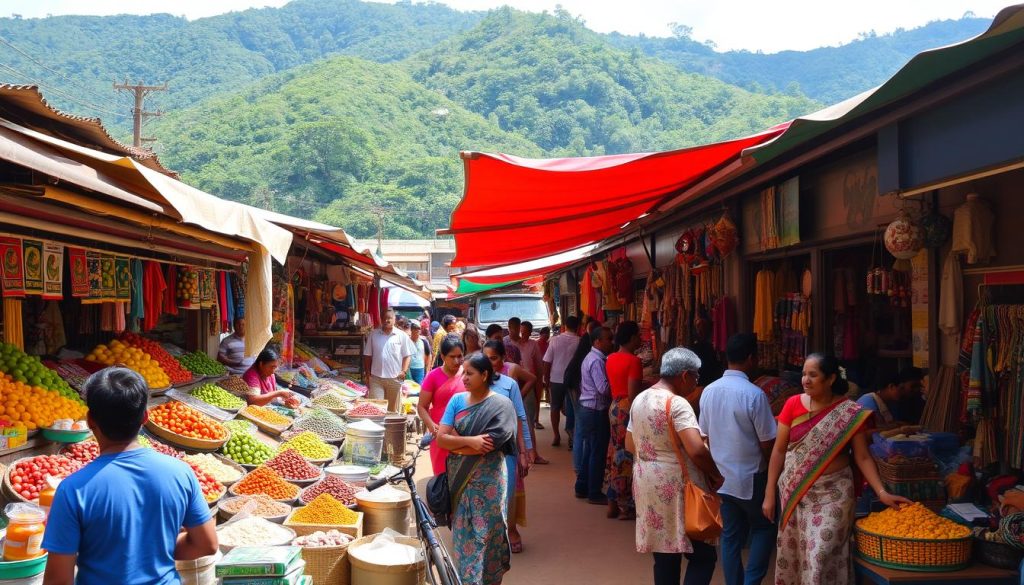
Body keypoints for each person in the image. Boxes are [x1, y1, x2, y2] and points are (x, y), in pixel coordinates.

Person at [42, 367, 218, 585]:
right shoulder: (181, 473)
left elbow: (58, 580)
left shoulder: (73, 490)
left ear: (89, 420)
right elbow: (207, 544)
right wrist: (154, 548)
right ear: (145, 416)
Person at [763, 353, 911, 585]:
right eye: (803, 374)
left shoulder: (849, 412)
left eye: (813, 375)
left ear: (830, 379)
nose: (805, 380)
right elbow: (779, 451)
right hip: (797, 491)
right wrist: (769, 493)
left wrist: (882, 493)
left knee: (820, 554)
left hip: (835, 494)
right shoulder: (792, 404)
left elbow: (862, 457)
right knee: (797, 556)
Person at [626, 348, 724, 585]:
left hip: (647, 484)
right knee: (703, 556)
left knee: (665, 556)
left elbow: (630, 444)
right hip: (678, 486)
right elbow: (697, 449)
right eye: (696, 376)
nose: (696, 382)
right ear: (684, 375)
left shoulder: (640, 398)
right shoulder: (677, 403)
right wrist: (715, 474)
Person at [698, 333, 777, 585]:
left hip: (722, 477)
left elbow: (704, 436)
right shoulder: (754, 394)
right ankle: (751, 582)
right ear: (752, 359)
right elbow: (768, 443)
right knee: (763, 528)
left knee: (730, 536)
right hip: (751, 476)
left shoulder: (709, 391)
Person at [436, 353, 518, 585]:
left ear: (485, 375)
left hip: (489, 483)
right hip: (460, 483)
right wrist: (471, 442)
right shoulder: (457, 401)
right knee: (464, 539)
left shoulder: (501, 406)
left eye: (470, 374)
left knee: (489, 536)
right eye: (464, 373)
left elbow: (490, 444)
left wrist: (457, 443)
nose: (464, 378)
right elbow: (441, 439)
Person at [482, 340, 535, 553]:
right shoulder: (473, 381)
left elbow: (520, 416)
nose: (489, 362)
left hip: (508, 449)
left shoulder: (509, 384)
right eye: (486, 357)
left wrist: (526, 451)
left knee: (510, 491)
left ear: (503, 359)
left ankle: (511, 529)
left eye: (493, 358)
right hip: (480, 450)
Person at [604, 320, 642, 520]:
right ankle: (625, 505)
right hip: (627, 409)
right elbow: (634, 394)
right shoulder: (634, 361)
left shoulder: (610, 358)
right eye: (638, 335)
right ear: (631, 337)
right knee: (627, 455)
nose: (640, 338)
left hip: (614, 407)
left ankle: (613, 502)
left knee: (614, 453)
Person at [575, 326, 614, 504]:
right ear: (597, 341)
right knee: (596, 451)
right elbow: (603, 388)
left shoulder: (591, 358)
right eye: (608, 339)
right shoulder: (597, 361)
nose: (610, 342)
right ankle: (594, 491)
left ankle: (583, 486)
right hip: (595, 409)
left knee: (590, 449)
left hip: (588, 408)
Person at [417, 335, 465, 474]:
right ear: (443, 357)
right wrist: (432, 427)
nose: (457, 361)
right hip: (441, 434)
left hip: (465, 434)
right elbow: (421, 406)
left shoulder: (469, 374)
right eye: (452, 356)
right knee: (442, 478)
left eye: (460, 356)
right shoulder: (433, 376)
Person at [363, 308, 415, 412]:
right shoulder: (373, 334)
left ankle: (391, 428)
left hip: (395, 379)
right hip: (376, 379)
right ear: (381, 319)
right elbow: (367, 355)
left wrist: (403, 371)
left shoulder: (401, 335)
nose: (387, 320)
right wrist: (368, 374)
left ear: (394, 319)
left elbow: (407, 355)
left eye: (389, 318)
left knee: (393, 411)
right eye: (385, 318)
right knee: (376, 410)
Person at [542, 315, 581, 448]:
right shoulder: (579, 341)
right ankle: (572, 435)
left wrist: (546, 378)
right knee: (573, 408)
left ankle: (556, 435)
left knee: (555, 407)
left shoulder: (554, 340)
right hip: (573, 380)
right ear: (578, 327)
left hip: (556, 378)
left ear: (564, 326)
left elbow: (547, 361)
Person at [517, 320, 548, 433]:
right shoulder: (513, 343)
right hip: (516, 380)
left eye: (525, 332)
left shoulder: (533, 344)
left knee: (530, 407)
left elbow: (539, 364)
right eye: (521, 332)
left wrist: (540, 379)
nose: (522, 334)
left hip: (529, 381)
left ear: (530, 332)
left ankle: (534, 421)